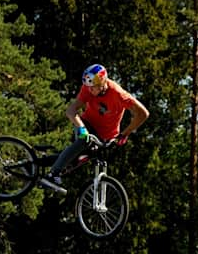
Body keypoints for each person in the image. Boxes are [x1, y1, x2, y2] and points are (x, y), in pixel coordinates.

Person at [41, 63, 149, 192]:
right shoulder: (87, 89)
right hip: (87, 125)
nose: (90, 90)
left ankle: (40, 162)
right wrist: (81, 128)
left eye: (93, 88)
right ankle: (52, 174)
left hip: (107, 135)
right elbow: (71, 110)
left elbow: (143, 114)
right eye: (88, 87)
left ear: (102, 83)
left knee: (77, 158)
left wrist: (125, 133)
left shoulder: (118, 94)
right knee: (83, 141)